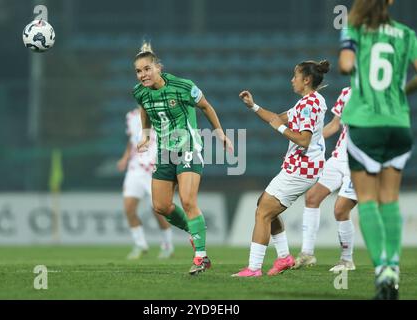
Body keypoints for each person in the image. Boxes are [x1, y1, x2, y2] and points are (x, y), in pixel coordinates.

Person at [132, 41, 234, 275]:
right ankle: (195, 231)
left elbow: (206, 106)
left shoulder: (183, 86)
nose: (143, 75)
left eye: (147, 69)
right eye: (138, 71)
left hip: (188, 147)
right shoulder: (139, 92)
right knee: (161, 206)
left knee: (188, 201)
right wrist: (146, 134)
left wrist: (220, 133)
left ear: (158, 67)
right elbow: (144, 108)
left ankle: (201, 256)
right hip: (164, 152)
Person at [339, 0, 417, 299]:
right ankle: (394, 268)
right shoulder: (406, 34)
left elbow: (346, 65)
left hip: (365, 122)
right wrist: (403, 91)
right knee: (390, 199)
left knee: (368, 200)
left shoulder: (354, 28)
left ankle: (382, 270)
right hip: (398, 123)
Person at [232, 60, 330, 277]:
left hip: (302, 168)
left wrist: (281, 128)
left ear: (306, 80)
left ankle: (254, 268)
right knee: (264, 205)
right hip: (301, 166)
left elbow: (303, 140)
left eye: (295, 76)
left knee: (263, 212)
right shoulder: (310, 101)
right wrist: (253, 106)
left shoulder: (309, 105)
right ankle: (284, 257)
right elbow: (277, 118)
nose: (292, 80)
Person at [293, 87, 358, 272]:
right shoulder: (346, 92)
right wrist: (311, 141)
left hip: (360, 162)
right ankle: (307, 254)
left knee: (340, 210)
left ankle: (347, 260)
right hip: (338, 158)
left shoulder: (379, 95)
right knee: (312, 197)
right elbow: (335, 124)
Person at [117, 107, 175, 260]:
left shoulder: (160, 113)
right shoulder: (131, 116)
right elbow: (132, 142)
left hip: (154, 168)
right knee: (128, 208)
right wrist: (125, 158)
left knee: (158, 210)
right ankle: (140, 244)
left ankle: (168, 245)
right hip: (135, 168)